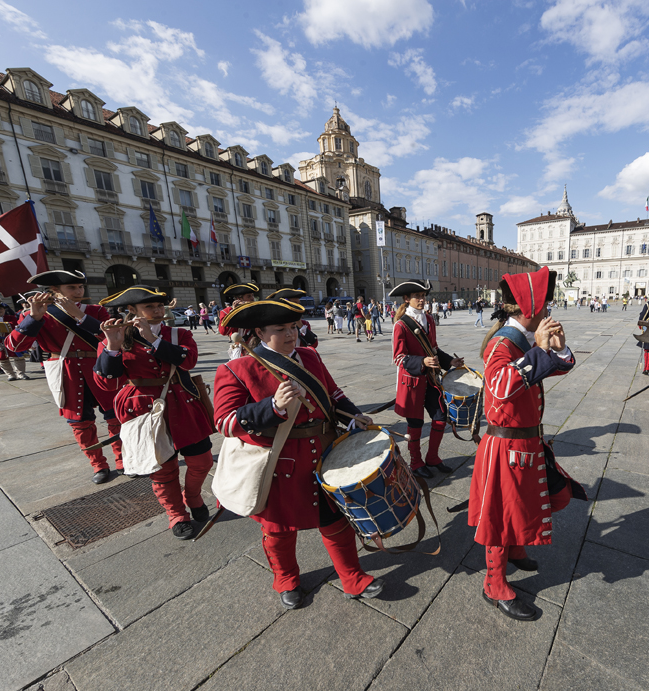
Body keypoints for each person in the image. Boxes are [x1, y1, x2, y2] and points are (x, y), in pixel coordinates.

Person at [213, 293, 384, 610]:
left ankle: (352, 577)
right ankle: (286, 580)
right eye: (281, 328)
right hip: (278, 462)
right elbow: (224, 422)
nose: (292, 334)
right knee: (278, 531)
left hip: (324, 455)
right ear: (260, 333)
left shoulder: (310, 357)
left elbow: (333, 395)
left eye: (294, 326)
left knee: (336, 521)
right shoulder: (237, 369)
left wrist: (353, 415)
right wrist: (272, 407)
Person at [468, 266, 585, 621]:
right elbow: (501, 388)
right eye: (545, 305)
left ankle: (516, 550)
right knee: (501, 517)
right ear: (527, 309)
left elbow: (553, 366)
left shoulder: (520, 340)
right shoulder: (503, 343)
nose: (549, 310)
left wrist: (557, 349)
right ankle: (494, 583)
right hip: (506, 445)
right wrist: (537, 348)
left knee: (524, 505)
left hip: (525, 442)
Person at [95, 287, 214, 539]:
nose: (158, 311)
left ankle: (192, 496)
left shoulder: (177, 333)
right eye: (150, 307)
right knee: (162, 468)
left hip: (184, 405)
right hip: (142, 409)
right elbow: (106, 383)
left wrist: (153, 338)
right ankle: (176, 514)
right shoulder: (116, 337)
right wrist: (112, 345)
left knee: (202, 461)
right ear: (132, 311)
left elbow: (188, 361)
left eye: (160, 306)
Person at [6, 270, 124, 483]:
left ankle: (123, 459)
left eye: (81, 287)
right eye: (72, 287)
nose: (79, 291)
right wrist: (34, 318)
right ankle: (98, 464)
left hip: (99, 367)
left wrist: (80, 317)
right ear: (55, 290)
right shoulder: (38, 312)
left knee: (116, 416)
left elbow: (114, 339)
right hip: (65, 372)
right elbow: (14, 347)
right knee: (79, 422)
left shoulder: (96, 311)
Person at [391, 280, 464, 478]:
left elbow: (433, 349)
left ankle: (433, 458)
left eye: (424, 296)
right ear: (407, 299)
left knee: (440, 417)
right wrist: (422, 361)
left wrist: (450, 361)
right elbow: (398, 357)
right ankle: (416, 463)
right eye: (418, 296)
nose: (422, 300)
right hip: (412, 383)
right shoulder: (401, 325)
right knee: (415, 425)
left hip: (430, 380)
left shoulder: (429, 320)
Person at [218, 283, 260, 359]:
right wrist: (233, 313)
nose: (252, 298)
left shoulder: (254, 310)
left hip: (257, 346)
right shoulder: (226, 312)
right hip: (241, 348)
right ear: (239, 299)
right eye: (249, 296)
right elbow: (223, 332)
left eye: (252, 295)